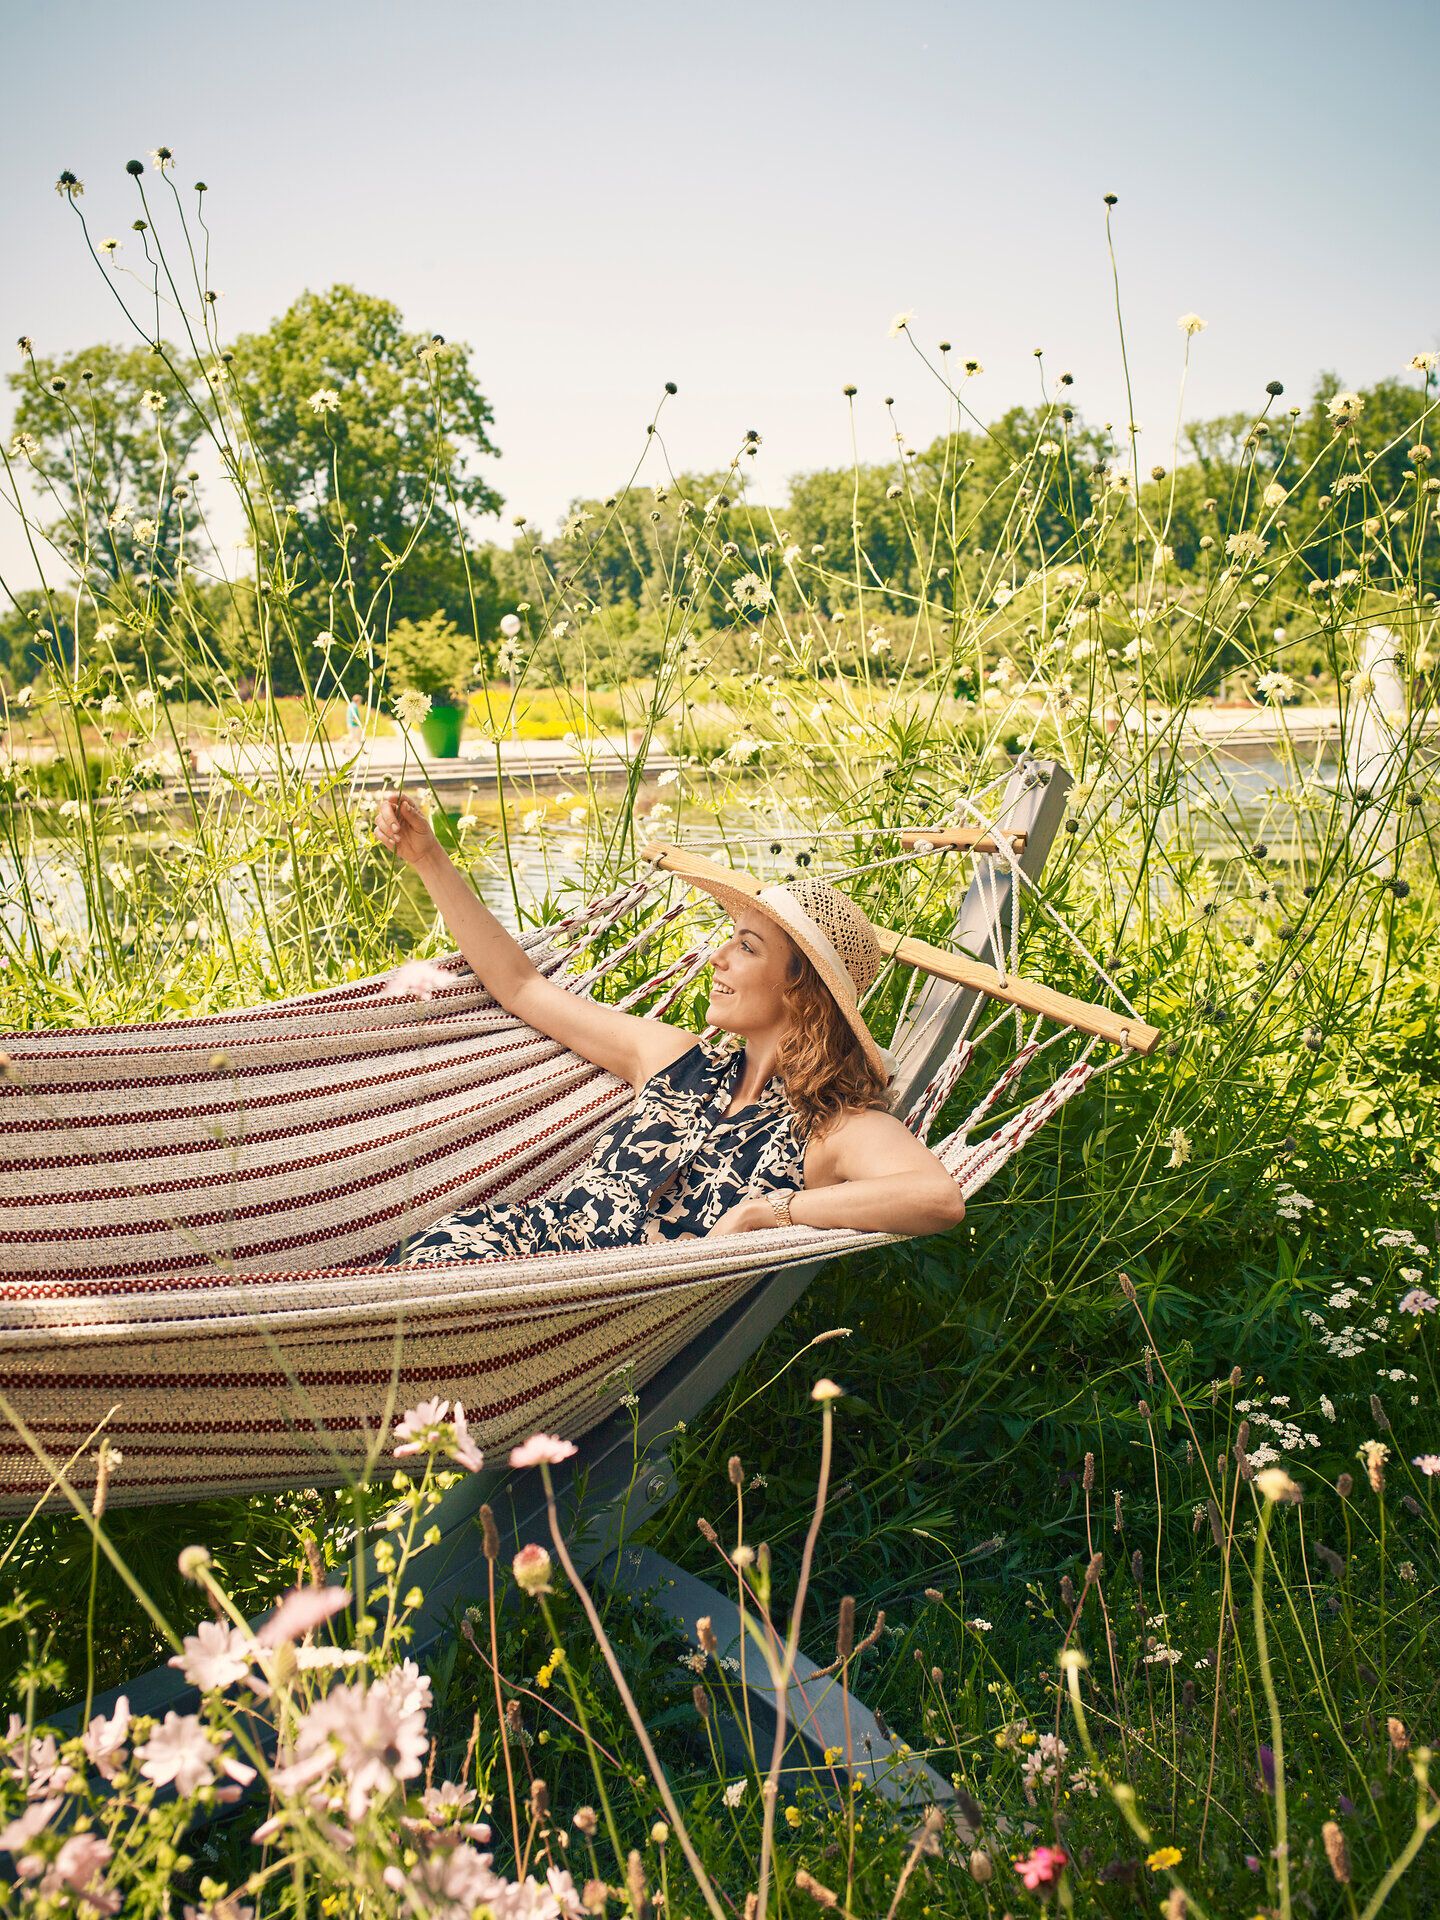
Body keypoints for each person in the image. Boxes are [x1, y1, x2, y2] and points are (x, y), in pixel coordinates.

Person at [374, 791, 965, 1263]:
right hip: (501, 1250)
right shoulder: (676, 1058)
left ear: (800, 989)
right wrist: (429, 859)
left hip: (586, 1306)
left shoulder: (828, 1129)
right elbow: (521, 986)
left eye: (747, 947)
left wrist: (769, 1212)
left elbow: (937, 1198)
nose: (717, 958)